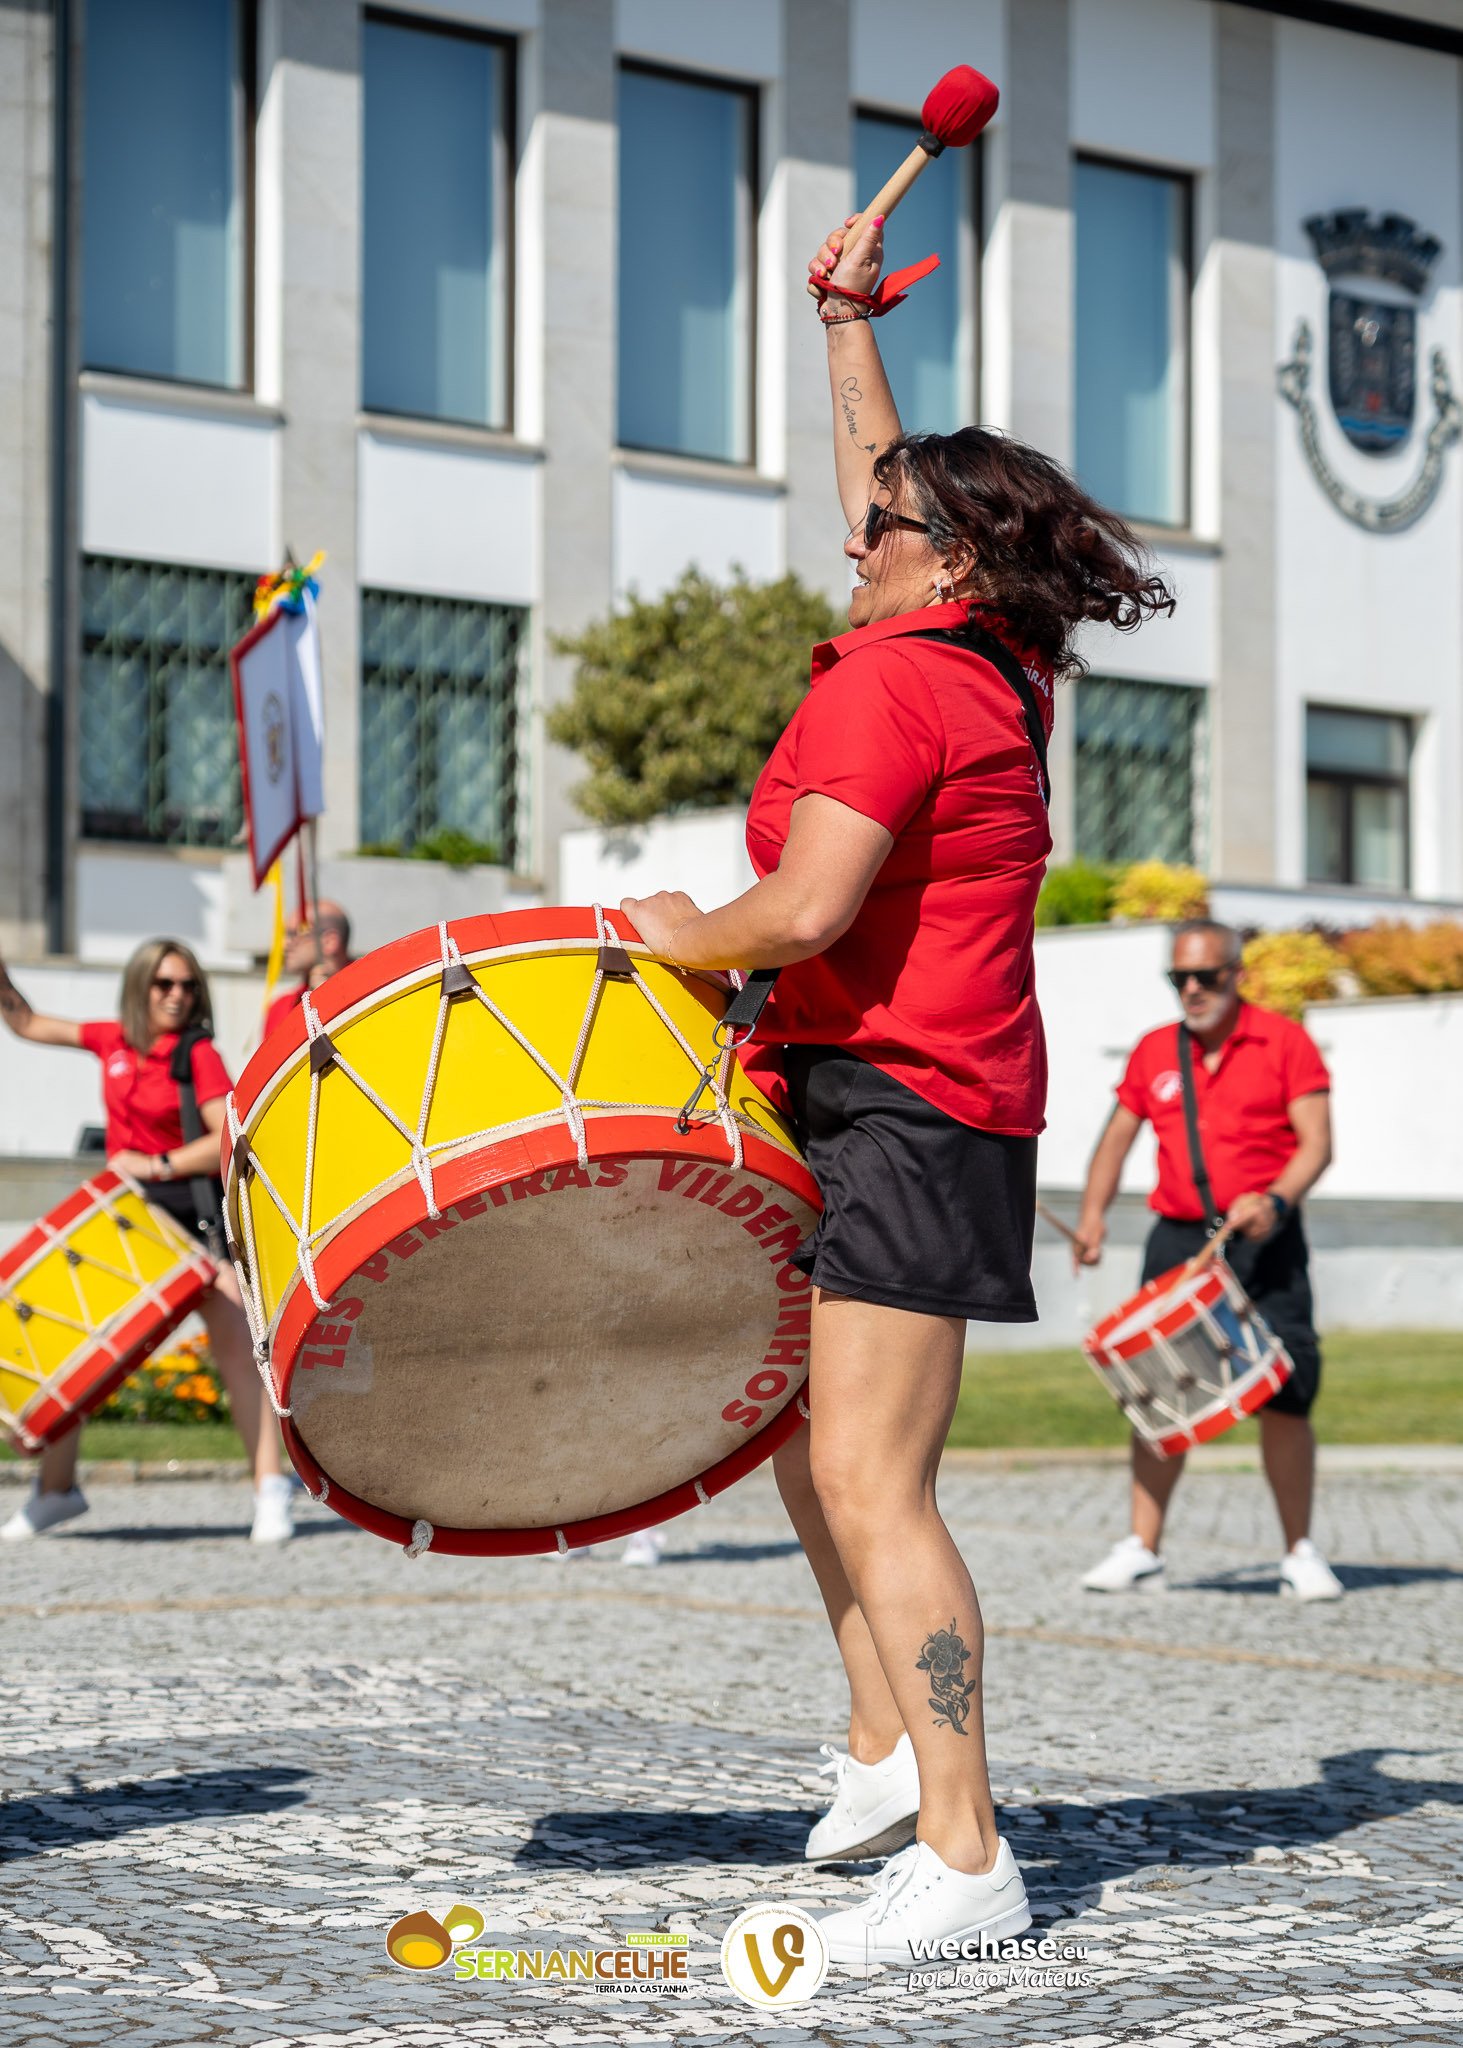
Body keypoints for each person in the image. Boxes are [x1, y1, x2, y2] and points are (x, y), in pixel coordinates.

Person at [619, 210, 1174, 1964]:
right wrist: (846, 327)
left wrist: (672, 932)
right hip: (895, 1093)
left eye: (876, 526)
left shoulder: (891, 684)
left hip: (907, 1102)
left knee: (871, 1479)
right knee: (816, 1447)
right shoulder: (978, 658)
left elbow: (802, 909)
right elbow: (895, 484)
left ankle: (964, 1853)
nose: (846, 533)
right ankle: (879, 1752)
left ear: (939, 565)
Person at [1072, 919, 1339, 1600]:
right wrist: (1093, 1217)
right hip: (1179, 1239)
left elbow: (1315, 1145)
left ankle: (1299, 1551)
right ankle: (1142, 1547)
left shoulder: (1284, 1042)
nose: (1191, 990)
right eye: (1178, 978)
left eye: (1205, 977)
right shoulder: (1154, 1051)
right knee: (1157, 1389)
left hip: (1264, 1237)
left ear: (1236, 976)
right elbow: (1115, 1139)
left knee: (1285, 1390)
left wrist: (1275, 1203)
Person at [0, 938, 294, 1544]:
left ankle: (270, 1489)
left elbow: (226, 1137)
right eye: (164, 984)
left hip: (191, 1221)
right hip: (127, 1224)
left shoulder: (199, 1053)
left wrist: (155, 1164)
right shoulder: (112, 1039)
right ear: (140, 986)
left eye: (187, 985)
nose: (177, 996)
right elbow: (26, 1022)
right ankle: (57, 1492)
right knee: (74, 1352)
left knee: (239, 1351)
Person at [262, 899, 352, 1040]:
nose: (284, 944)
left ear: (329, 941)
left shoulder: (370, 992)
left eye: (294, 934)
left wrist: (331, 1001)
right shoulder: (280, 1008)